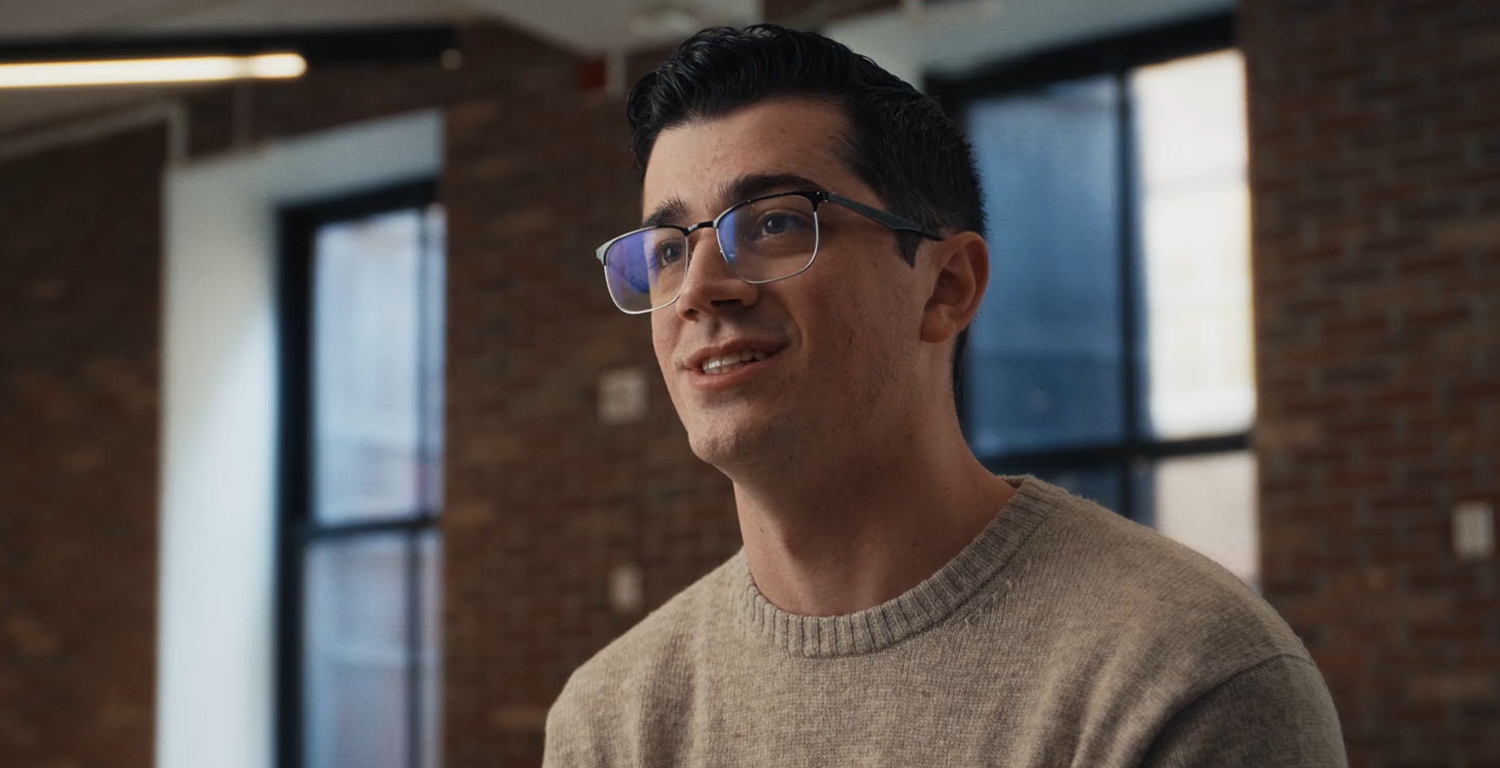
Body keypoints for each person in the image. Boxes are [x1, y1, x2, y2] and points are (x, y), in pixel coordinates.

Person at [544, 24, 1345, 767]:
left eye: (776, 223)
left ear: (947, 288)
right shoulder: (613, 720)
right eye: (667, 250)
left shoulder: (1181, 678)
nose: (699, 291)